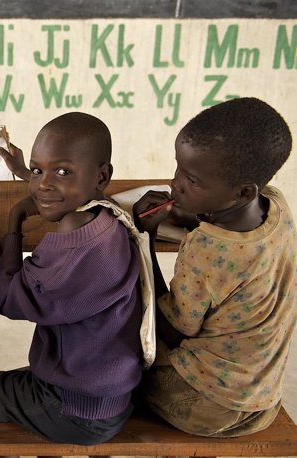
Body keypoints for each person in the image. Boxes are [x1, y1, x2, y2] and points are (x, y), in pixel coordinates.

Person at [133, 97, 296, 437]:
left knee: (116, 333)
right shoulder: (276, 204)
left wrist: (144, 240)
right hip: (261, 399)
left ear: (243, 191)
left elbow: (173, 328)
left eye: (193, 180)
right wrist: (195, 212)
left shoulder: (208, 249)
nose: (175, 183)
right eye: (178, 167)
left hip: (203, 404)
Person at [0, 112, 147, 445]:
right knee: (0, 380)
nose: (43, 184)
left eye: (63, 171)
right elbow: (62, 186)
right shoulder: (106, 213)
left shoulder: (76, 234)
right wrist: (25, 173)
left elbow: (8, 298)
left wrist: (14, 221)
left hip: (75, 410)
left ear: (101, 176)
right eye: (36, 170)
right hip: (109, 395)